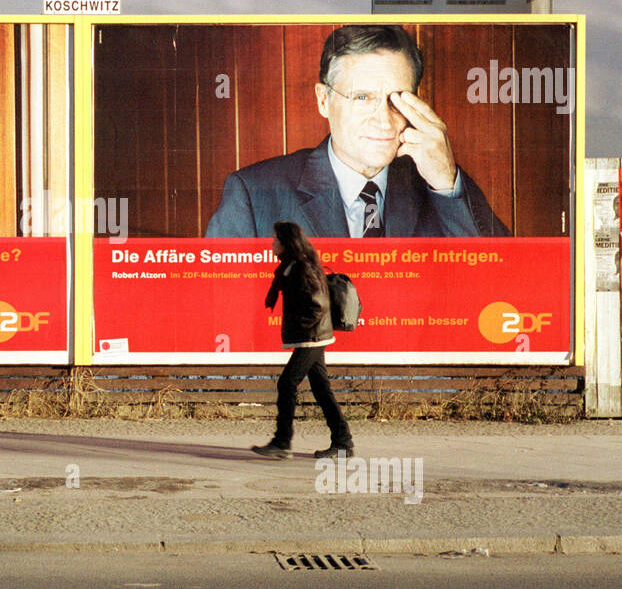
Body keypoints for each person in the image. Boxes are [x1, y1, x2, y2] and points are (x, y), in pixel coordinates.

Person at [206, 24, 508, 238]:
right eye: (363, 98)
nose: (384, 120)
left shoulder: (443, 187)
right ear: (324, 100)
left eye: (397, 99)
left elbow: (503, 288)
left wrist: (445, 183)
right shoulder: (252, 194)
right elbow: (221, 316)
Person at [252, 221, 354, 460]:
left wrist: (302, 328)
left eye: (276, 239)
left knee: (286, 384)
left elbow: (318, 303)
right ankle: (343, 442)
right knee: (321, 389)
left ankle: (282, 442)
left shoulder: (301, 267)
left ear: (287, 242)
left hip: (312, 337)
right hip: (313, 336)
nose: (272, 243)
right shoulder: (293, 266)